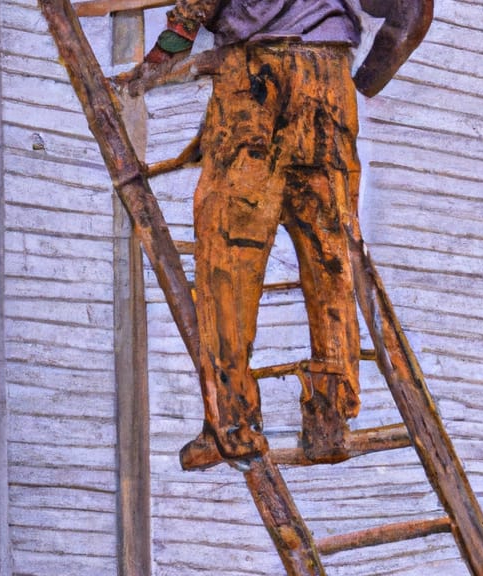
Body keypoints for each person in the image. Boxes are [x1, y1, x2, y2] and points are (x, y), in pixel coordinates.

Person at [124, 0, 370, 465]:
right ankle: (330, 419)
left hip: (258, 74)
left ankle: (232, 425)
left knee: (229, 255)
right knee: (329, 253)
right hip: (329, 74)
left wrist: (172, 41)